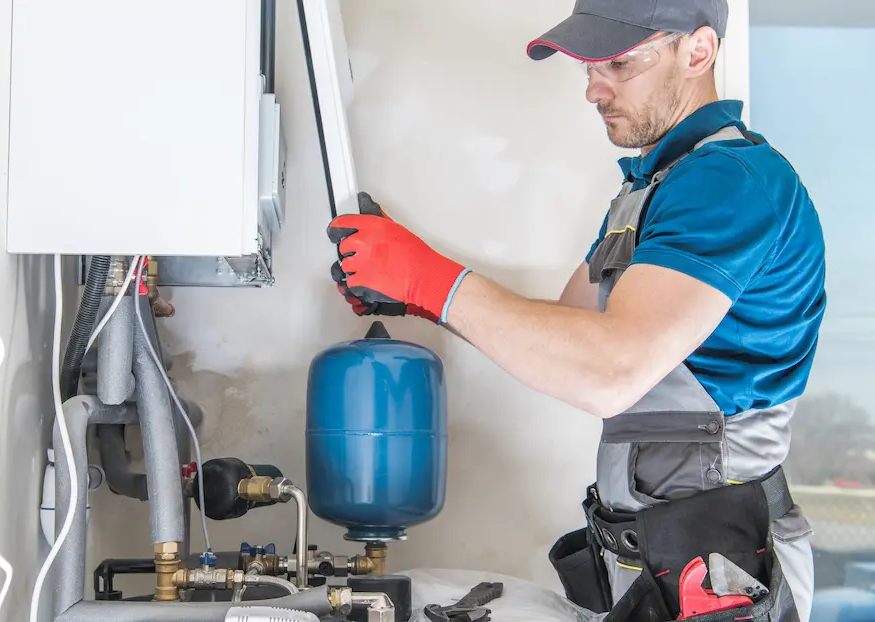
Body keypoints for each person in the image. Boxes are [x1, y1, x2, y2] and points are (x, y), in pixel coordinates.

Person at [326, 1, 826, 620]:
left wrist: (431, 279)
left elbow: (607, 370)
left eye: (617, 62)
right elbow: (565, 336)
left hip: (721, 565)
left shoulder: (729, 181)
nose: (592, 88)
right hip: (666, 555)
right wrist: (417, 298)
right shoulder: (652, 189)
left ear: (698, 52)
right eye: (587, 67)